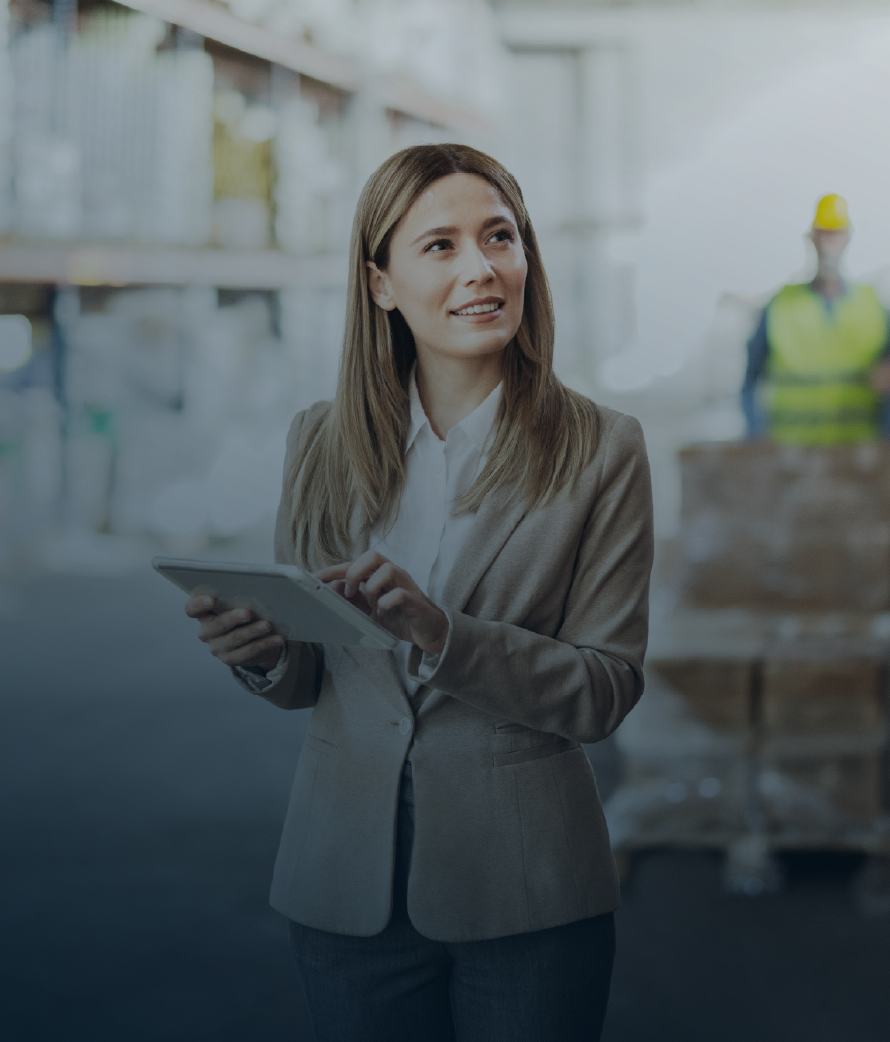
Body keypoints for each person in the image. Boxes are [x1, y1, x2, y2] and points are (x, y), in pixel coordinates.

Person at [184, 143, 654, 1042]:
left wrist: (444, 634)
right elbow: (307, 681)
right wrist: (266, 654)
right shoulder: (319, 441)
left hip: (527, 888)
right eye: (440, 245)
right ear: (380, 284)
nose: (483, 269)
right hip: (343, 881)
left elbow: (604, 691)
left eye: (501, 238)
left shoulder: (601, 450)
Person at [741, 193, 890, 444]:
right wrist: (757, 437)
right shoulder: (780, 307)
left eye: (835, 234)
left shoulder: (874, 307)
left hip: (858, 457)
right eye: (822, 233)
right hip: (792, 455)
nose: (828, 243)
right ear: (811, 238)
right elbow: (749, 383)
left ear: (847, 238)